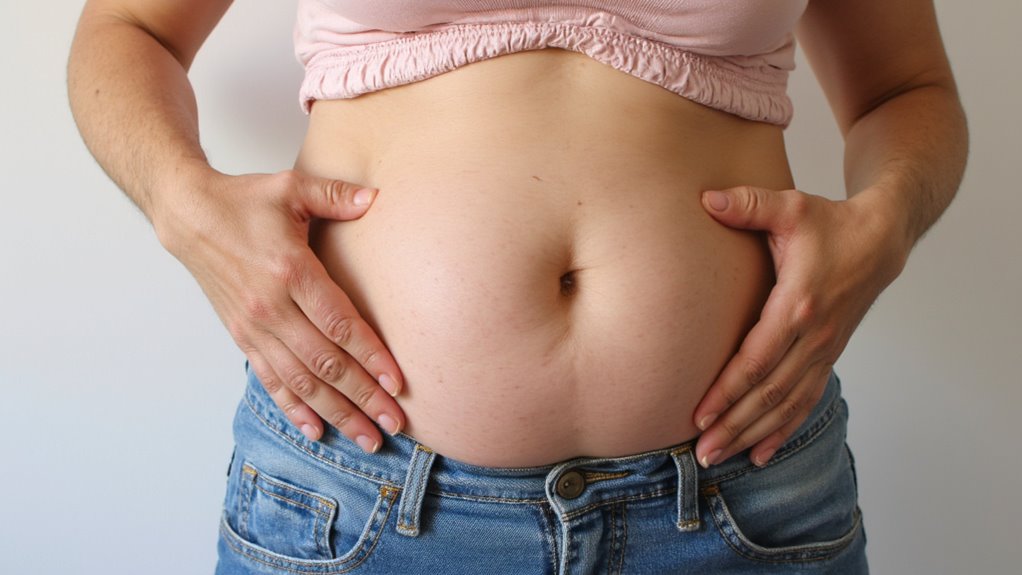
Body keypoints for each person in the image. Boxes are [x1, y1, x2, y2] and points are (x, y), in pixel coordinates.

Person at [68, 0, 967, 573]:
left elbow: (906, 89)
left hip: (743, 495)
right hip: (362, 492)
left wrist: (884, 226)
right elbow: (126, 30)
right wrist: (183, 207)